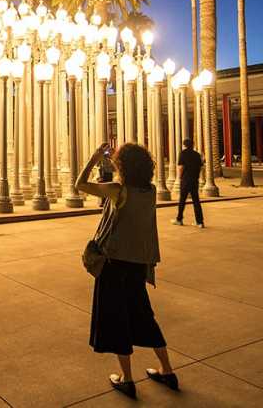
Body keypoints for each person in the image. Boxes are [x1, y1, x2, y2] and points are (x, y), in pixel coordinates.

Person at [76, 142, 177, 399]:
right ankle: (167, 370)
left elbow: (80, 184)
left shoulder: (118, 191)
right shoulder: (150, 191)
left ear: (122, 166)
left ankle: (127, 379)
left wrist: (94, 158)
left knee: (116, 320)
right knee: (144, 316)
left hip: (113, 265)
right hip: (136, 266)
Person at [172, 138, 204, 228]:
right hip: (194, 180)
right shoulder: (197, 155)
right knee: (196, 201)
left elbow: (181, 167)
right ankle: (200, 222)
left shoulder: (183, 153)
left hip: (186, 180)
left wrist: (179, 177)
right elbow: (201, 167)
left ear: (184, 145)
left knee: (182, 200)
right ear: (192, 145)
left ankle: (179, 219)